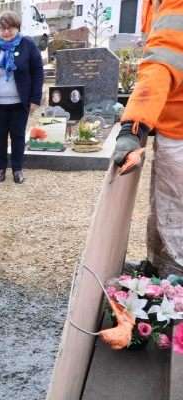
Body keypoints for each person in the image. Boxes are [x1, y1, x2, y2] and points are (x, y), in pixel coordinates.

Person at [112, 0, 183, 278]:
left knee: (175, 216)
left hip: (180, 134)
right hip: (173, 124)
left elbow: (161, 64)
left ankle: (173, 292)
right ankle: (159, 269)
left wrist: (133, 127)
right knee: (163, 210)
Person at [0, 10, 43, 184]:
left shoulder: (27, 45)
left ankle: (17, 170)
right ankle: (1, 169)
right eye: (2, 27)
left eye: (10, 27)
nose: (6, 31)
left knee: (18, 136)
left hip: (19, 103)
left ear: (17, 27)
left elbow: (37, 72)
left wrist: (35, 97)